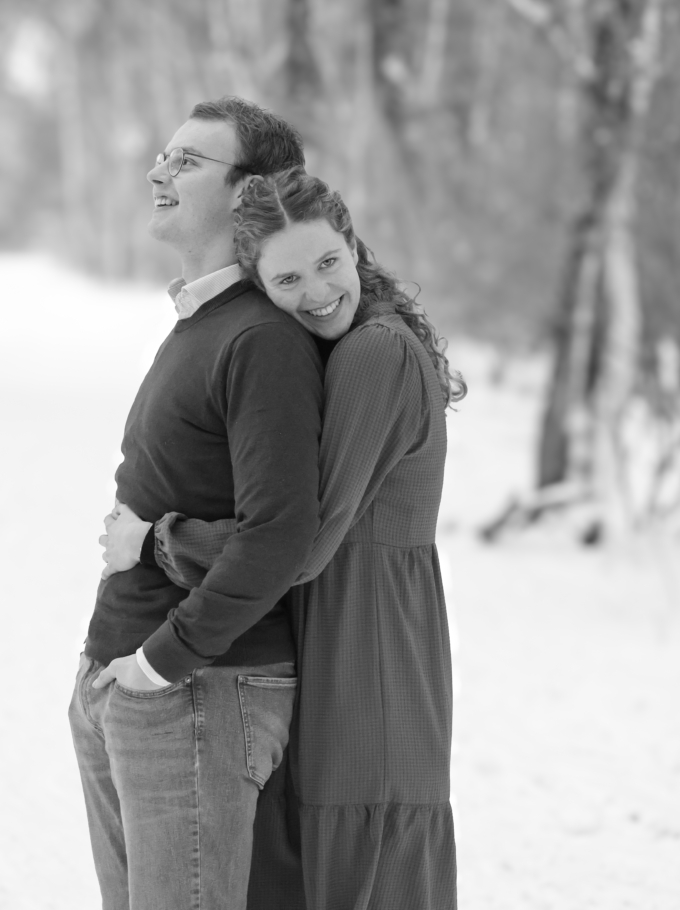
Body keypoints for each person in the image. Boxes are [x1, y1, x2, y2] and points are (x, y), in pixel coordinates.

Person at [103, 166, 466, 910]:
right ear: (260, 286)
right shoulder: (351, 344)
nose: (317, 291)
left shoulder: (376, 353)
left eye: (328, 262)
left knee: (356, 874)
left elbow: (301, 544)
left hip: (369, 654)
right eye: (288, 279)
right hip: (342, 637)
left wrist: (156, 542)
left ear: (353, 245)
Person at [68, 98, 325, 910]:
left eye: (187, 161)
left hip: (198, 694)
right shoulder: (202, 322)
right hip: (132, 685)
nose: (159, 171)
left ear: (249, 191)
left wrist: (158, 665)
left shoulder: (262, 339)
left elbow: (280, 532)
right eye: (164, 154)